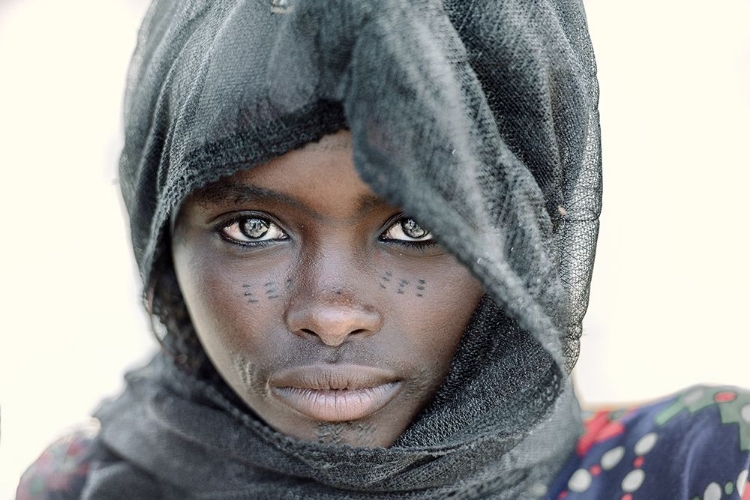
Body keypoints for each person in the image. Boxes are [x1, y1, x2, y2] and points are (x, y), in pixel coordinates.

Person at [16, 0, 750, 498]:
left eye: (417, 227)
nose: (331, 315)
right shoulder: (80, 483)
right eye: (252, 228)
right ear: (159, 239)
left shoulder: (698, 469)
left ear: (525, 240)